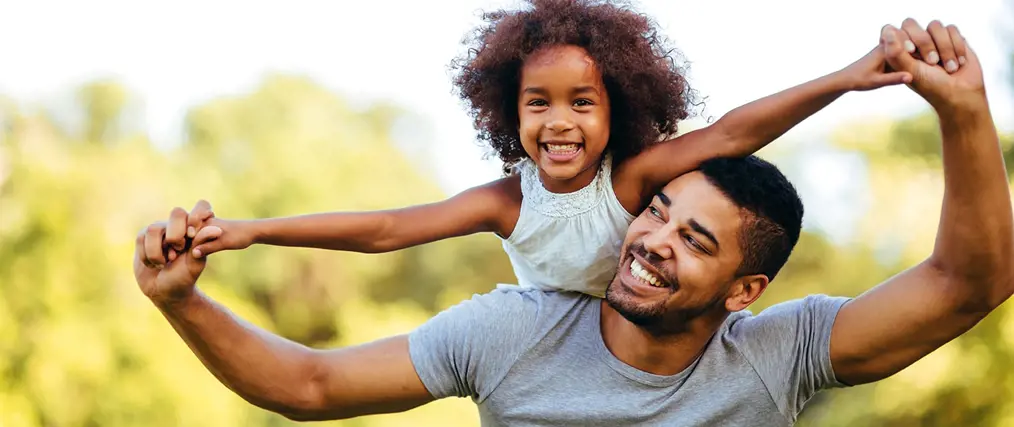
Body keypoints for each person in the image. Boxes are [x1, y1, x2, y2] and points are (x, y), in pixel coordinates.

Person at [133, 19, 1010, 427]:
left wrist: (958, 109)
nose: (654, 236)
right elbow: (311, 384)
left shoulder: (775, 353)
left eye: (696, 239)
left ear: (747, 290)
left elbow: (969, 284)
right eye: (659, 213)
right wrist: (187, 297)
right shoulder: (510, 328)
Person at [145, 0, 913, 300]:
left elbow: (733, 133)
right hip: (551, 354)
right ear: (509, 112)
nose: (559, 123)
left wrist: (847, 79)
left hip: (657, 336)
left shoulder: (633, 179)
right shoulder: (506, 202)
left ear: (620, 109)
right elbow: (385, 230)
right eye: (537, 103)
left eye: (583, 102)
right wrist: (251, 230)